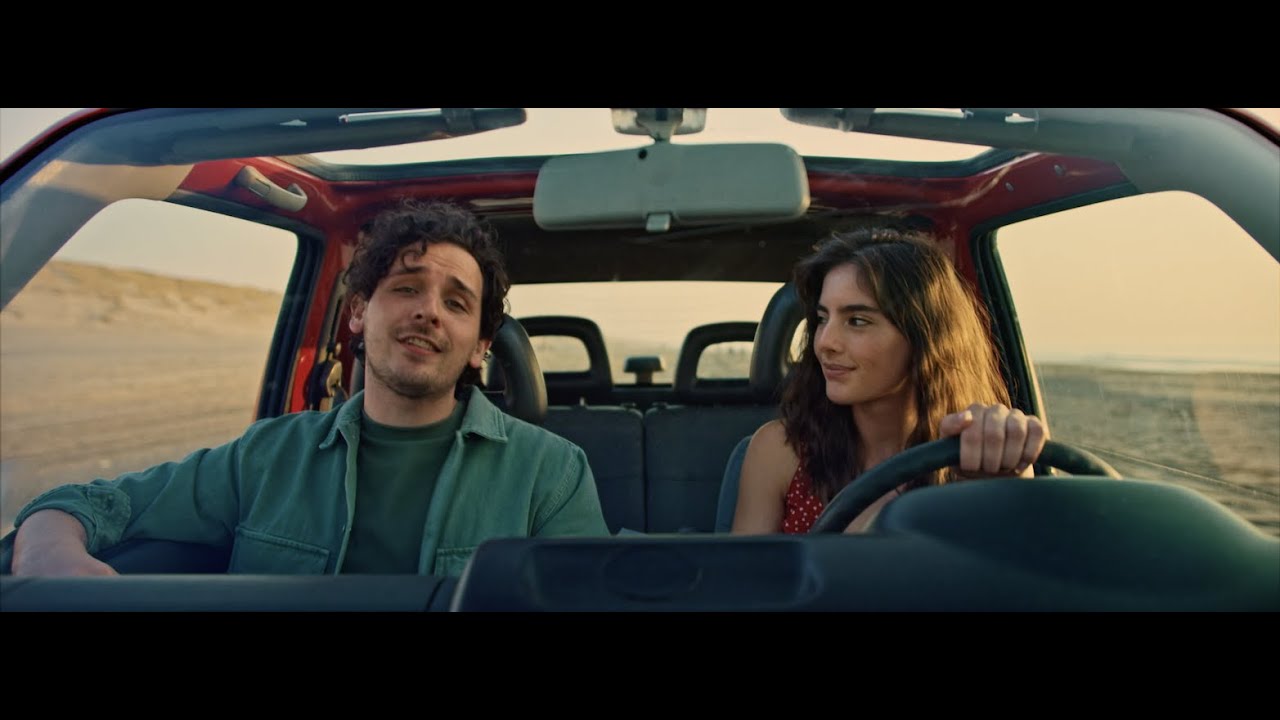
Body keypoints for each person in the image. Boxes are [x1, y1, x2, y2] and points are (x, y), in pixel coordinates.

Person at [5, 200, 609, 577]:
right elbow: (92, 503)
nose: (428, 311)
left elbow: (594, 599)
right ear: (359, 312)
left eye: (456, 303)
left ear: (480, 346)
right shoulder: (265, 455)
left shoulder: (551, 472)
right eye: (406, 288)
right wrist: (47, 553)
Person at [732, 227, 1048, 535]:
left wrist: (1009, 476)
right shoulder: (782, 451)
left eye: (857, 321)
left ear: (924, 338)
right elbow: (744, 570)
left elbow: (1010, 565)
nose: (825, 342)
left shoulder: (973, 454)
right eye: (822, 318)